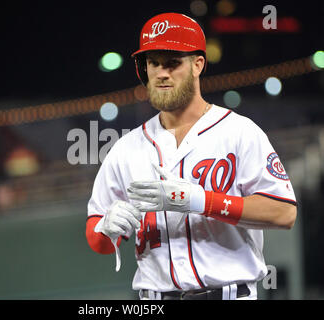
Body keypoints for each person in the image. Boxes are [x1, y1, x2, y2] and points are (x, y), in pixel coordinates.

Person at [85, 12, 297, 300]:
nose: (161, 72)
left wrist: (200, 201)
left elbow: (284, 213)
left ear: (198, 64)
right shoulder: (126, 149)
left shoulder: (239, 132)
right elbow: (98, 239)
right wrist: (105, 230)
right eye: (153, 63)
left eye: (172, 62)